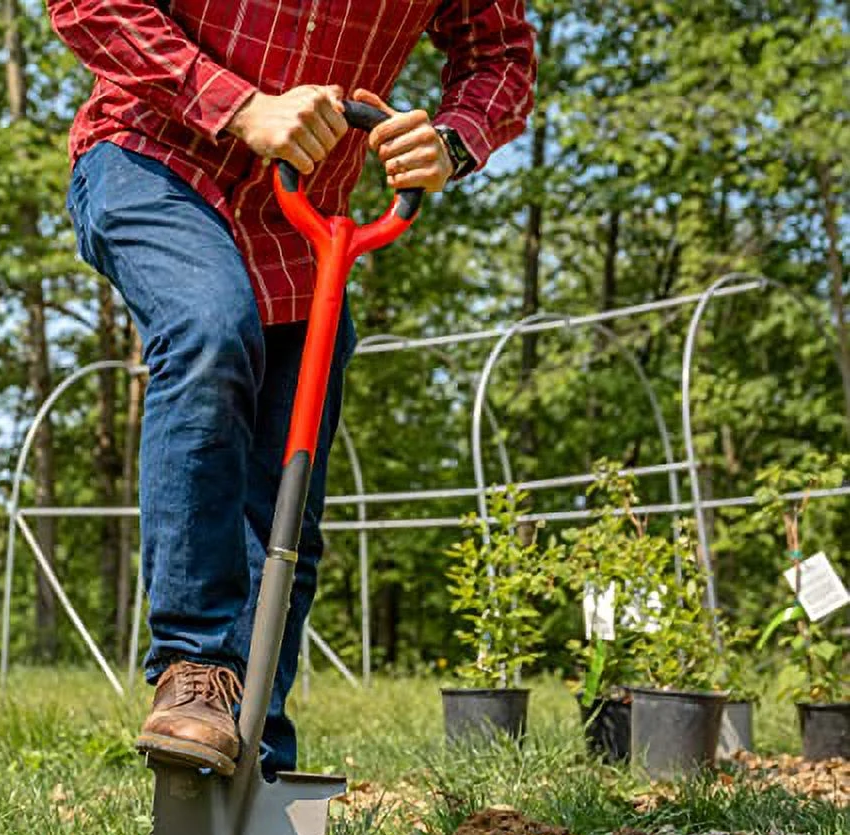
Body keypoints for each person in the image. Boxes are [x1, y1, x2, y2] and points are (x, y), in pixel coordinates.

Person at [48, 0, 537, 777]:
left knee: (284, 508)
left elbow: (501, 56)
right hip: (154, 156)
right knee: (210, 328)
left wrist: (450, 142)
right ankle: (192, 670)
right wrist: (237, 105)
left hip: (302, 222)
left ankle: (253, 760)